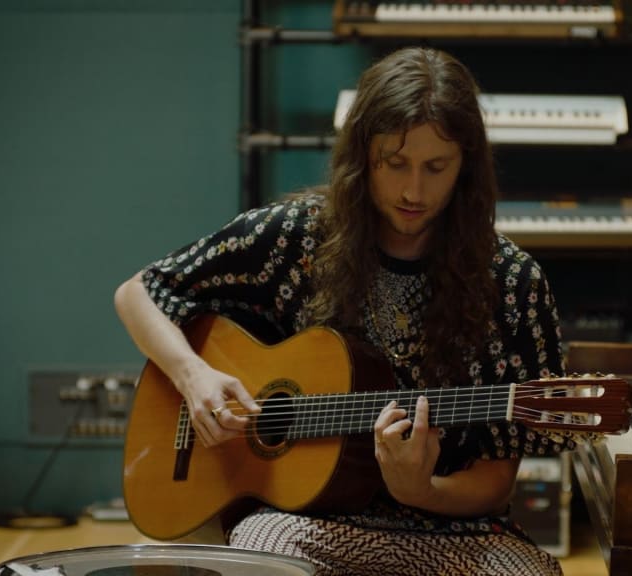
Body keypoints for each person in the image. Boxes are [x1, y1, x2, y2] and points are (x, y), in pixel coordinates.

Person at [114, 46, 577, 576]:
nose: (414, 190)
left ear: (466, 167)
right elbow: (139, 293)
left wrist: (421, 490)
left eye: (436, 167)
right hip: (299, 523)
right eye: (394, 164)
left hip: (451, 532)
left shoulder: (512, 284)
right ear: (362, 155)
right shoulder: (294, 236)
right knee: (262, 562)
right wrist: (194, 376)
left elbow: (495, 485)